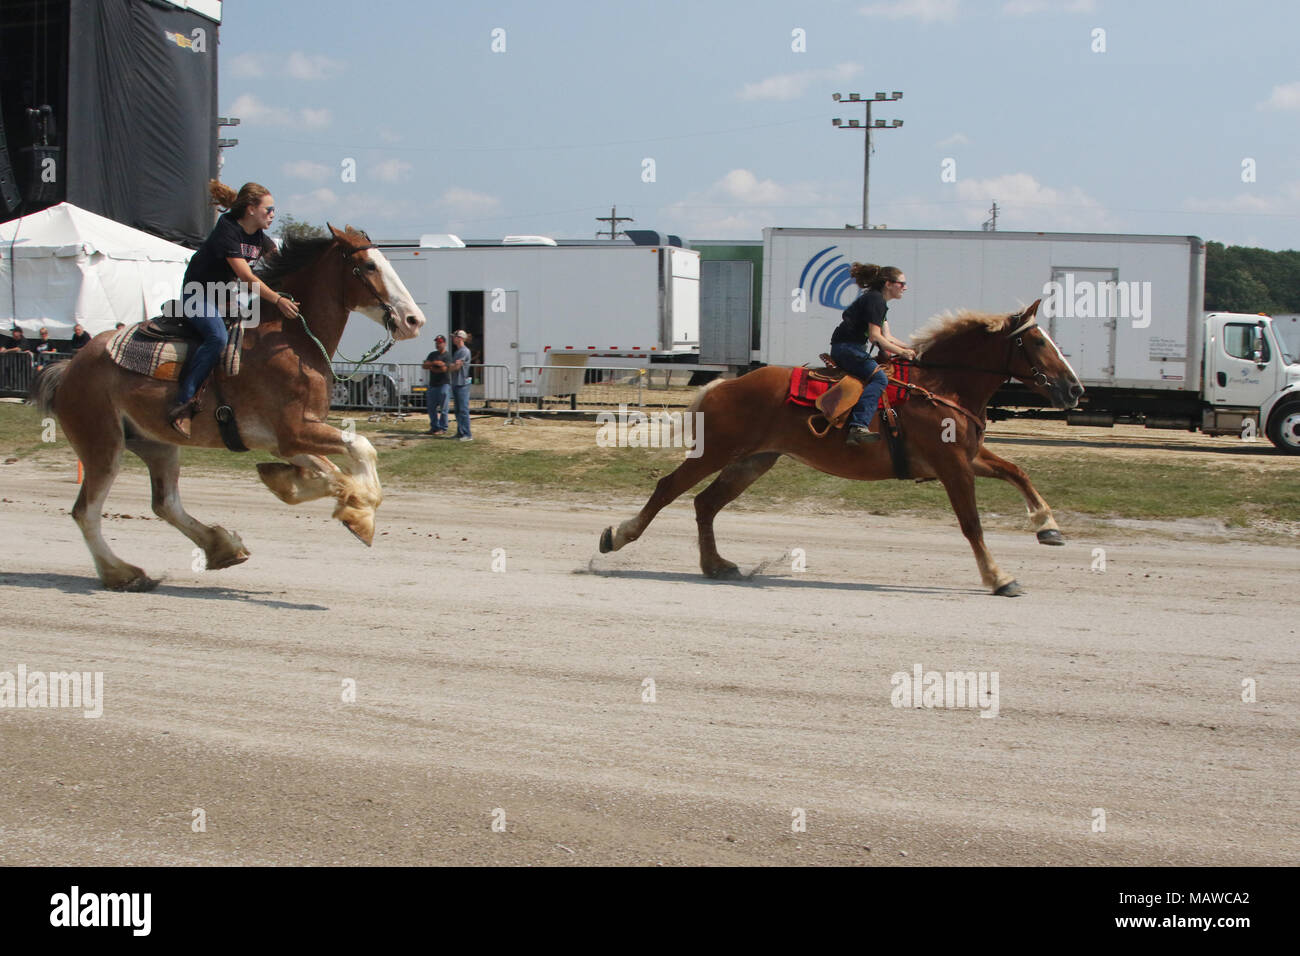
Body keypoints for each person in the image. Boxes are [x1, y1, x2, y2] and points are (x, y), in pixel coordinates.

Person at [166, 180, 300, 437]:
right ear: (251, 209)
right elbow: (247, 277)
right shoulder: (227, 230)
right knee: (217, 337)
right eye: (268, 209)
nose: (273, 214)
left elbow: (282, 267)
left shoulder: (260, 238)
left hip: (223, 298)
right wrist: (278, 300)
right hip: (197, 296)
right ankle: (182, 405)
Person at [829, 263, 917, 446]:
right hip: (847, 348)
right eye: (901, 283)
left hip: (851, 348)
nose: (905, 287)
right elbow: (875, 336)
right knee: (880, 379)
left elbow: (888, 337)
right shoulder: (874, 300)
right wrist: (902, 352)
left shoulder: (879, 302)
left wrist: (913, 348)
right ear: (888, 283)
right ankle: (858, 426)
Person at [421, 334, 451, 434]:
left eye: (440, 342)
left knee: (444, 408)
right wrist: (436, 363)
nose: (437, 344)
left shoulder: (447, 356)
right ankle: (434, 427)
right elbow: (424, 365)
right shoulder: (432, 354)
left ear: (444, 343)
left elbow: (443, 369)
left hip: (444, 385)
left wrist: (432, 366)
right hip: (432, 385)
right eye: (436, 342)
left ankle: (443, 428)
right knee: (431, 408)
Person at [447, 329, 473, 441]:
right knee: (458, 410)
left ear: (460, 338)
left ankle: (467, 434)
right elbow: (454, 366)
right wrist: (451, 366)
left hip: (462, 384)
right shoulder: (457, 352)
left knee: (463, 410)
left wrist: (447, 367)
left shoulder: (464, 351)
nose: (453, 339)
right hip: (456, 383)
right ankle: (460, 432)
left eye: (455, 337)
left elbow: (456, 367)